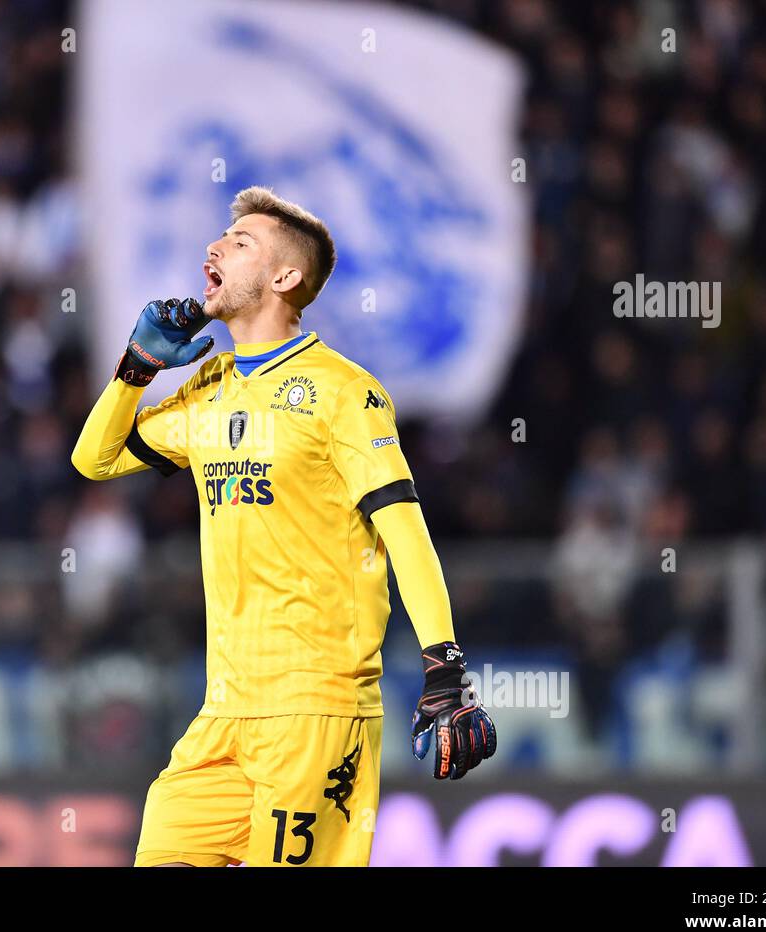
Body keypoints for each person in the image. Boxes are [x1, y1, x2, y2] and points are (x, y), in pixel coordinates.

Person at [71, 186, 495, 867]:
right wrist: (135, 368)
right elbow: (94, 459)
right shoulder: (209, 388)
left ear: (284, 277)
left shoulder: (342, 392)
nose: (214, 247)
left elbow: (406, 533)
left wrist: (444, 669)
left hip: (318, 709)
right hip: (223, 713)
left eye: (239, 243)